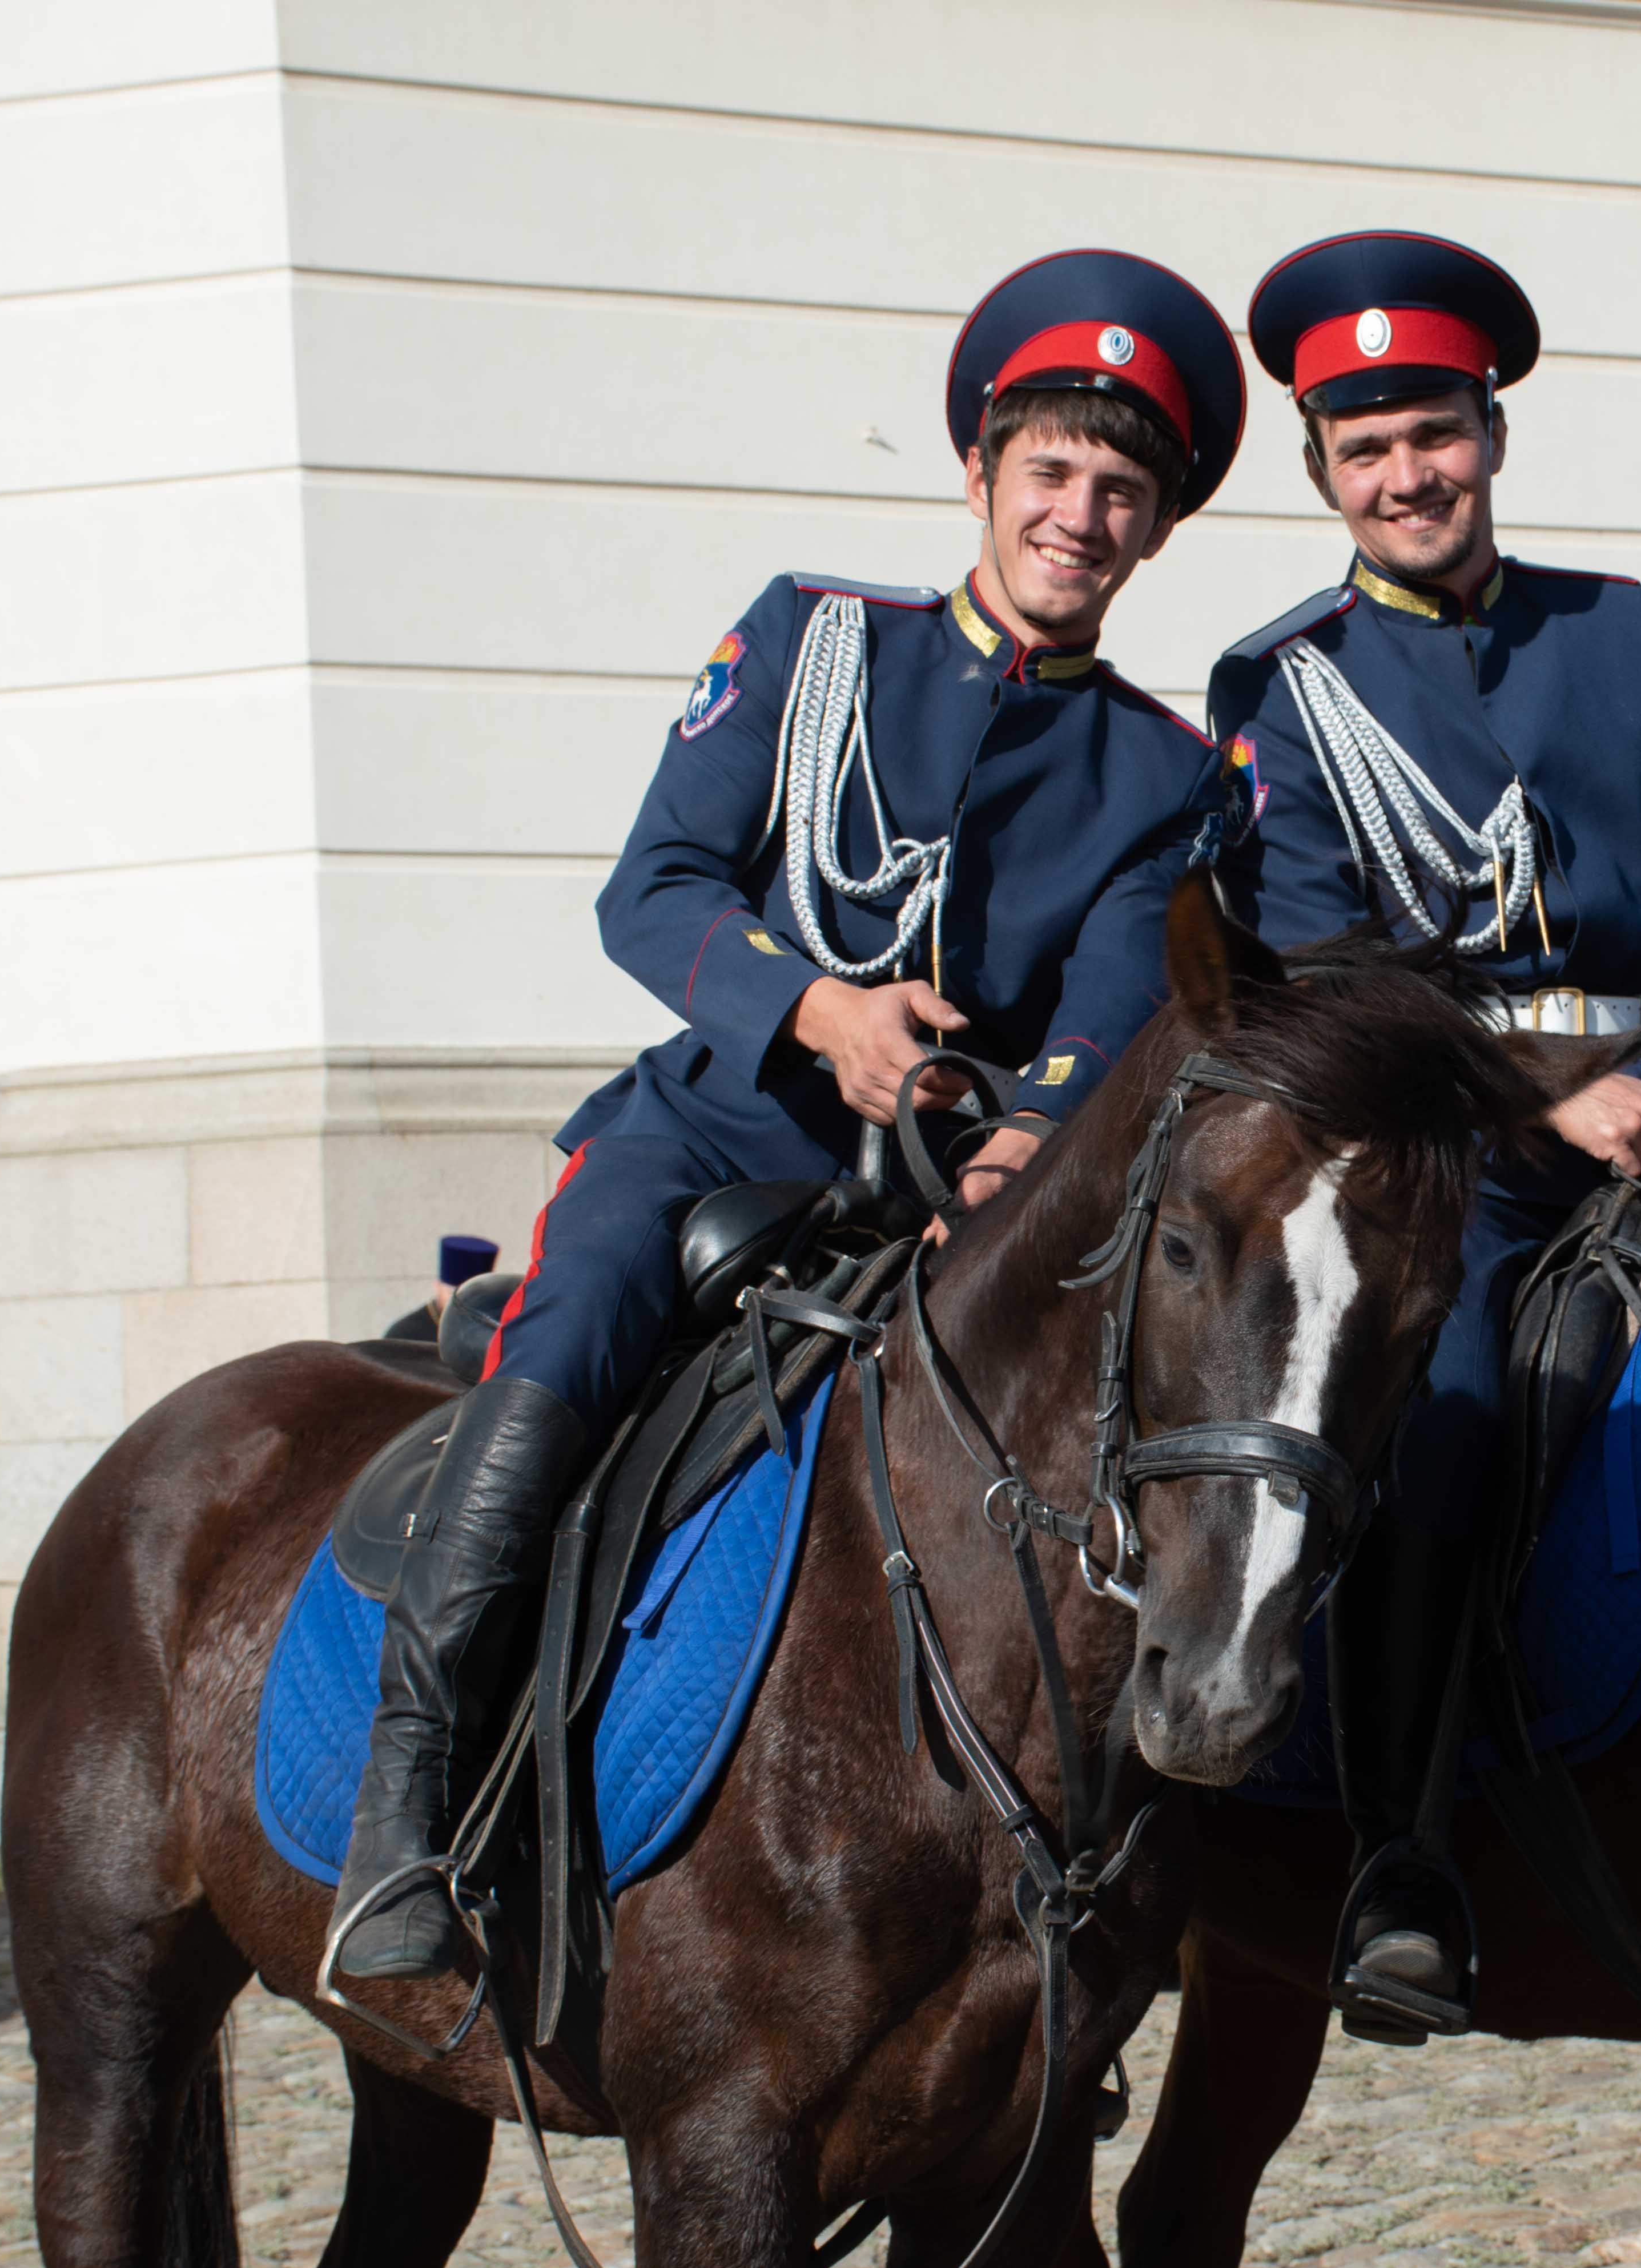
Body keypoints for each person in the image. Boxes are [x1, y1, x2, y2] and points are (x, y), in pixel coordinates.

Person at [326, 250, 1250, 1983]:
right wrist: (820, 1011)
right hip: (712, 1132)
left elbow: (1103, 1025)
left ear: (1155, 533)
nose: (1079, 514)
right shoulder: (815, 640)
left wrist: (1011, 1149)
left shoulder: (1165, 777)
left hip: (952, 1193)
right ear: (980, 475)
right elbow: (649, 888)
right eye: (1050, 472)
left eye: (1120, 492)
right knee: (573, 1336)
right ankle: (412, 1804)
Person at [1207, 229, 1641, 2041]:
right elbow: (1317, 974)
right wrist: (1539, 1093)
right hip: (1436, 1174)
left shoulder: (1612, 630)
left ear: (1489, 431)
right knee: (1447, 1427)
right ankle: (1400, 1855)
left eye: (1432, 430)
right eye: (1363, 448)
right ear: (1322, 476)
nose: (1406, 475)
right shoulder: (1283, 686)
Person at [383, 1235, 498, 1343]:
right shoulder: (403, 1335)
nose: (462, 1302)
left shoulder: (496, 1331)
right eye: (453, 1293)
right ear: (437, 1286)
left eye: (472, 1295)